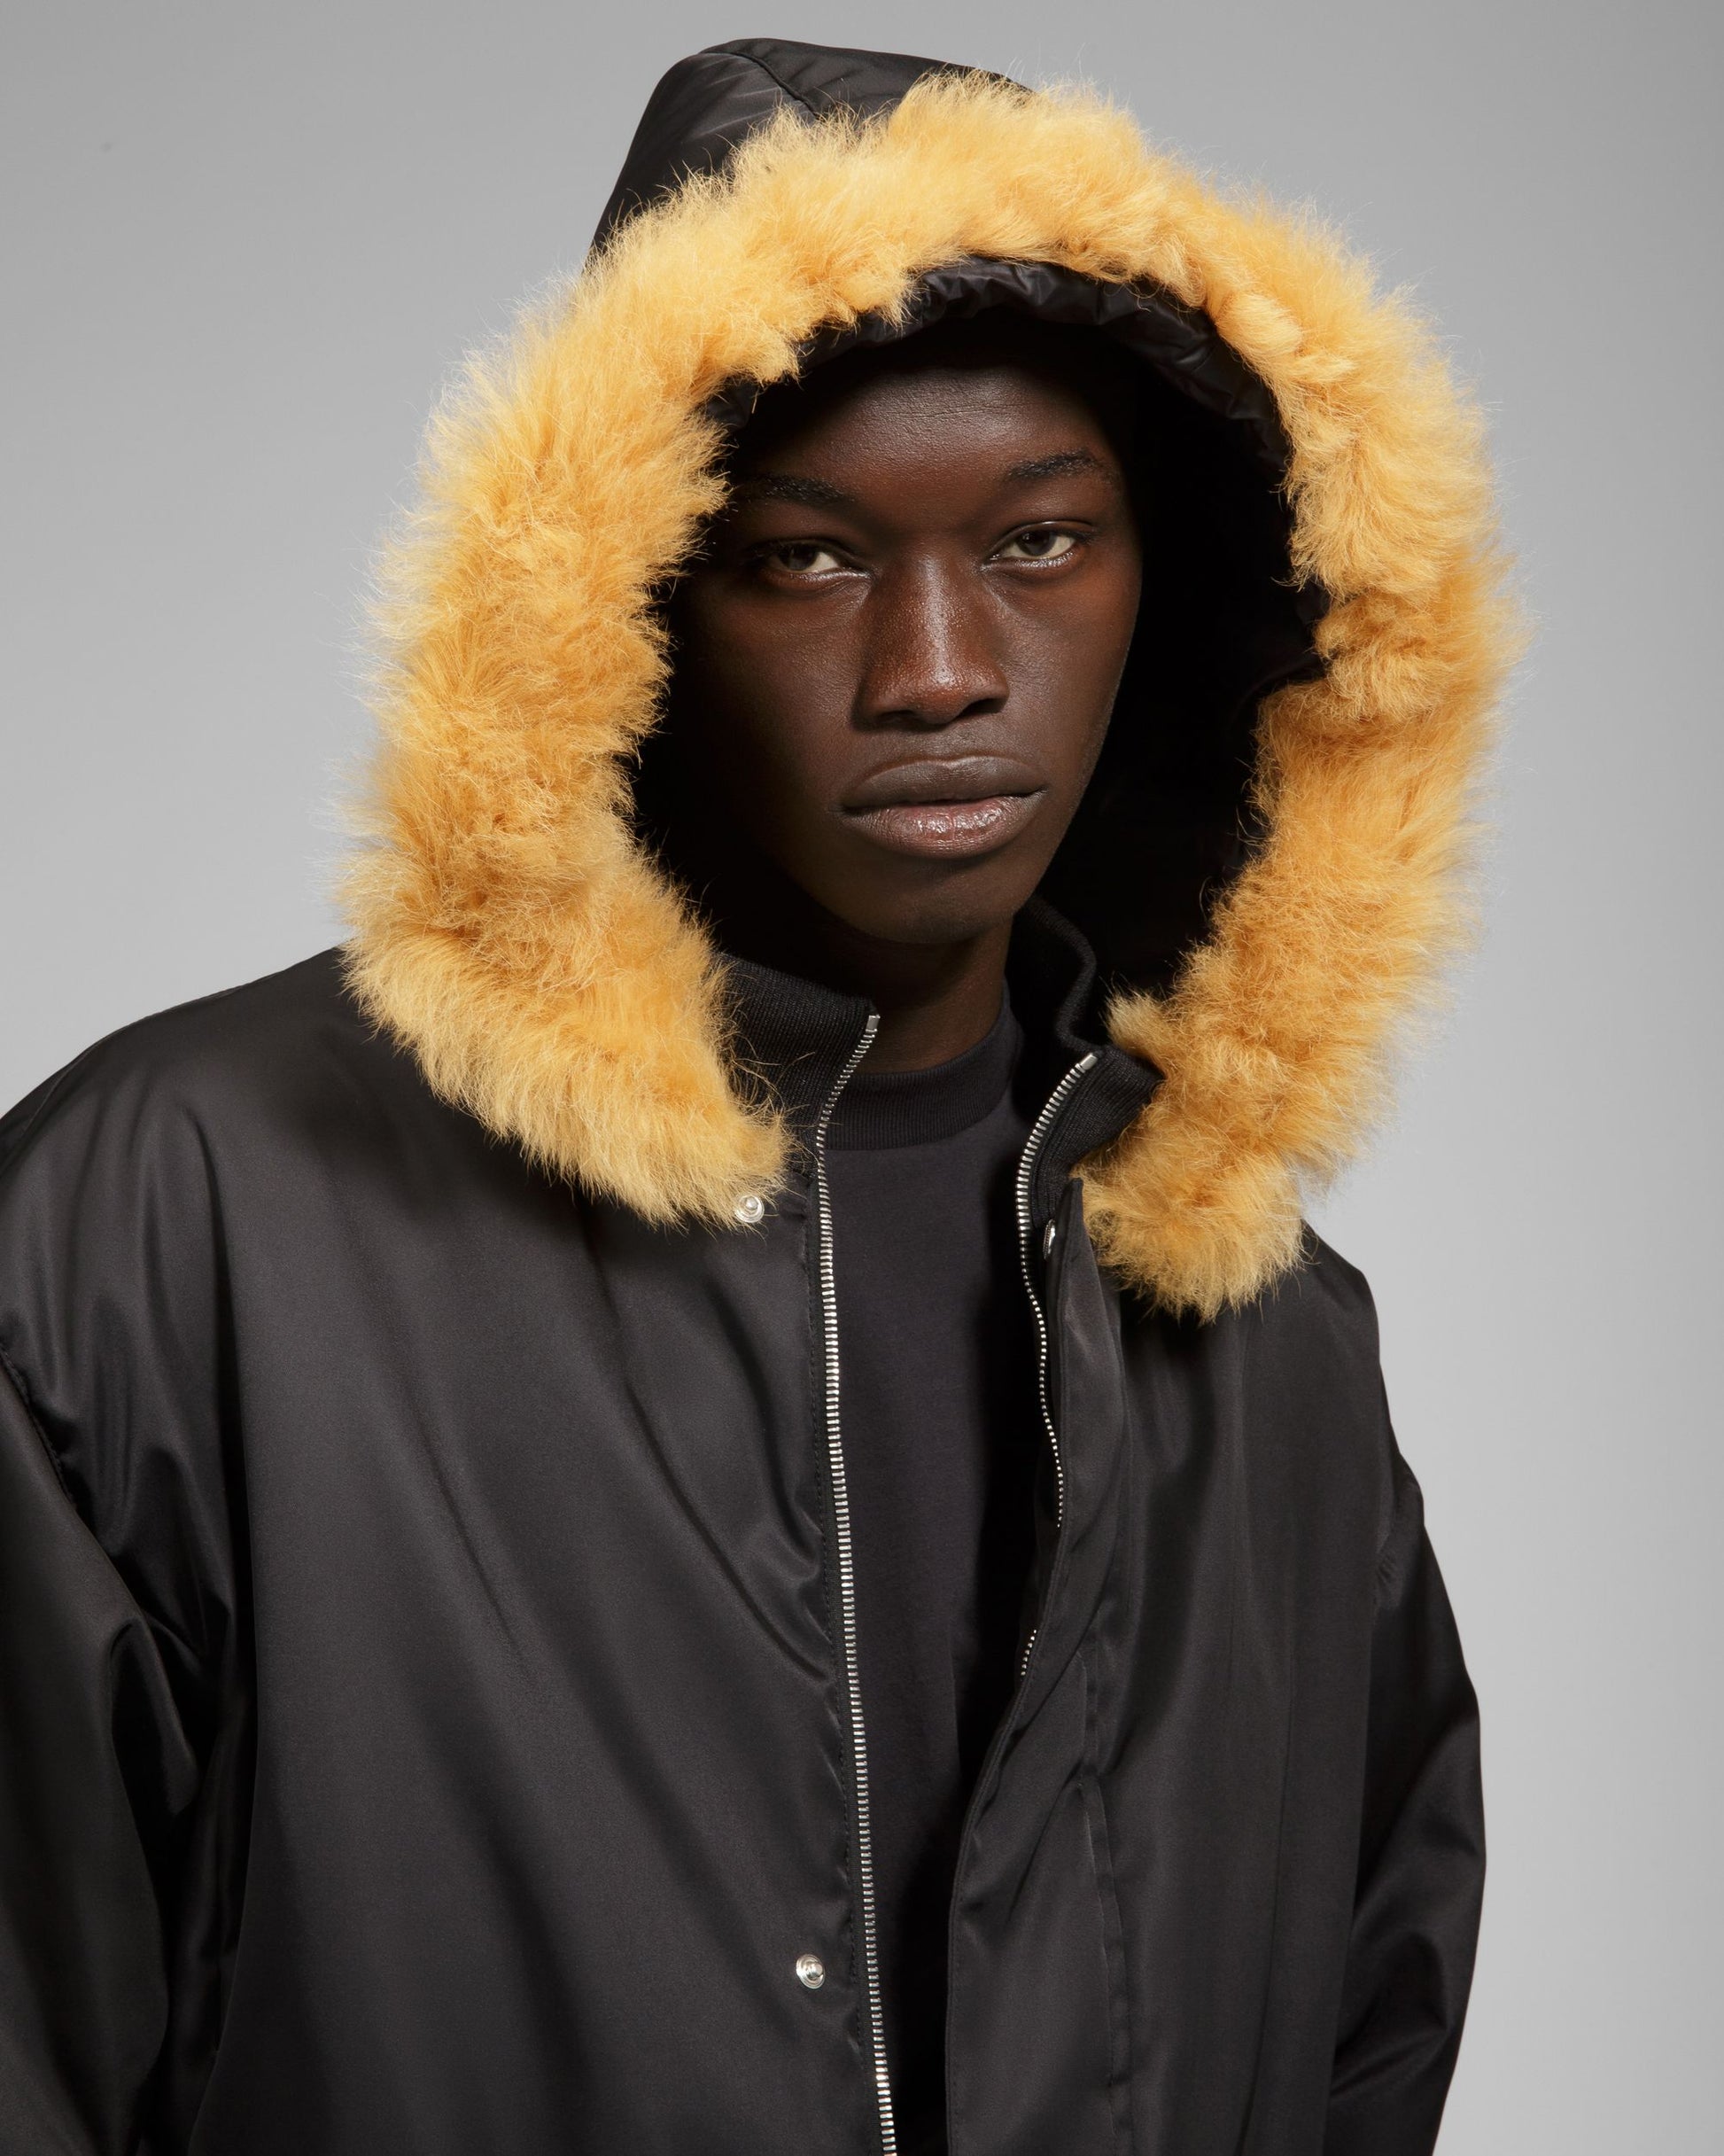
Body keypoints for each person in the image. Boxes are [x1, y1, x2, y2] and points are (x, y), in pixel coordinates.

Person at [0, 38, 1511, 2156]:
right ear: (614, 606)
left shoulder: (1258, 1339)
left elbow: (1365, 2023)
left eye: (1041, 539)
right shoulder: (170, 1223)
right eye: (805, 558)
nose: (937, 667)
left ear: (1165, 585)